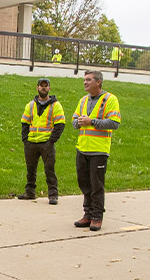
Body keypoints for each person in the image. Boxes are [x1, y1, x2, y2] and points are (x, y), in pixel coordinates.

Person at [72, 70, 122, 232]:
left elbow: (114, 123)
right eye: (84, 80)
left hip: (99, 150)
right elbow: (74, 121)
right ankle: (87, 214)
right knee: (84, 183)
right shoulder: (83, 100)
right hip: (82, 148)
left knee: (96, 185)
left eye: (88, 80)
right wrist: (78, 122)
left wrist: (91, 121)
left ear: (98, 82)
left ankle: (96, 217)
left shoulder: (110, 99)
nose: (85, 82)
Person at [18, 77, 65, 204]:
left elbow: (60, 125)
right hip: (31, 142)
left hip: (46, 143)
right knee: (30, 169)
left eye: (46, 86)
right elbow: (25, 123)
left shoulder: (56, 106)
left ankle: (53, 195)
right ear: (37, 88)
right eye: (41, 85)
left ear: (49, 88)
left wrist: (51, 141)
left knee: (49, 169)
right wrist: (25, 140)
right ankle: (30, 192)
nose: (43, 87)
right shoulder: (30, 105)